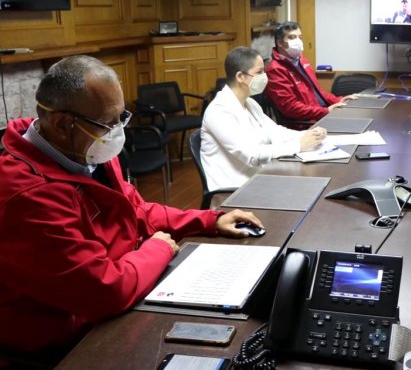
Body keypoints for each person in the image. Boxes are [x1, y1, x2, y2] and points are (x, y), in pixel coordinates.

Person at [0, 56, 262, 359]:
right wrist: (158, 249)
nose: (117, 133)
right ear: (61, 123)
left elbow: (135, 209)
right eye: (108, 123)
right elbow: (104, 291)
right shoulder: (25, 197)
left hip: (122, 298)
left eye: (121, 118)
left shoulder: (83, 148)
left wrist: (208, 220)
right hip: (60, 348)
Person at [201, 46, 327, 191]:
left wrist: (309, 135)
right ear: (240, 77)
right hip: (233, 191)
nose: (265, 76)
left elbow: (275, 132)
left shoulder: (250, 102)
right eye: (259, 72)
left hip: (257, 179)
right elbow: (251, 155)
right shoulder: (219, 111)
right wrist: (299, 145)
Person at [265, 21, 356, 124]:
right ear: (280, 43)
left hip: (320, 115)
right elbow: (290, 107)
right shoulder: (275, 70)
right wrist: (325, 111)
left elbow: (318, 92)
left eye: (300, 37)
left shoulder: (302, 61)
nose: (298, 41)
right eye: (292, 37)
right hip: (306, 124)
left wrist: (339, 100)